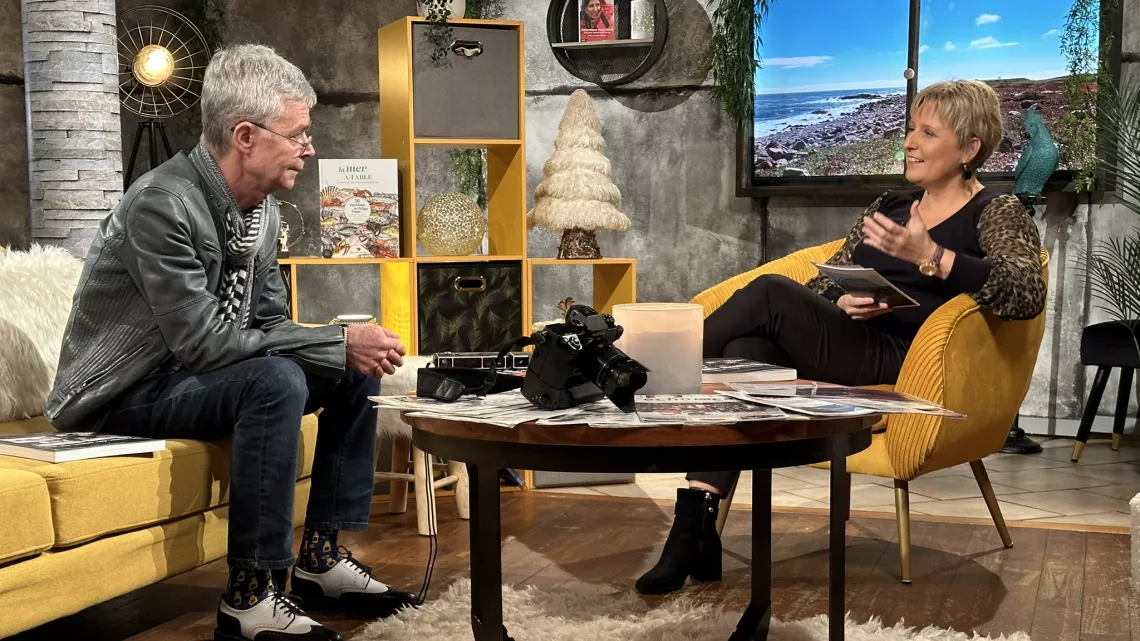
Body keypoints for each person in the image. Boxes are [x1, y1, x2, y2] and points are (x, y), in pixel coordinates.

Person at [45, 44, 417, 640]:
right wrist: (334, 338)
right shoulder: (162, 204)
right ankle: (250, 595)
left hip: (189, 379)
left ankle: (320, 561)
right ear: (245, 136)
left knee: (353, 369)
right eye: (298, 134)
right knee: (278, 378)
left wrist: (342, 348)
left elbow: (268, 324)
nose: (309, 148)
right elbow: (202, 343)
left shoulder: (263, 214)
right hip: (118, 395)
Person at [635, 79, 1048, 596]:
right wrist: (841, 300)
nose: (909, 143)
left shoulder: (996, 211)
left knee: (769, 292)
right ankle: (694, 525)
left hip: (908, 361)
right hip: (850, 342)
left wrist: (932, 256)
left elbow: (1024, 291)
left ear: (969, 149)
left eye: (928, 133)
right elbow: (825, 280)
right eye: (911, 129)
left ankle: (643, 371)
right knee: (746, 354)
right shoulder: (892, 205)